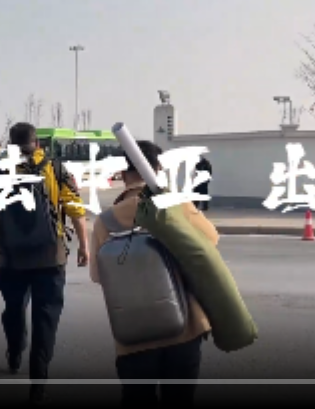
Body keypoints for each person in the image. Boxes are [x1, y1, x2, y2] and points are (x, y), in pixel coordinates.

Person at [0, 122, 90, 404]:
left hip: (13, 258)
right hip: (50, 257)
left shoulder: (0, 169)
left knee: (14, 309)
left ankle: (15, 351)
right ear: (37, 144)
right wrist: (84, 246)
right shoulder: (54, 168)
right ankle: (38, 383)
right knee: (45, 319)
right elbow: (75, 208)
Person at [89, 140, 219, 406]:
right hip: (184, 328)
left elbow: (98, 275)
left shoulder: (106, 222)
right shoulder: (176, 205)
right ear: (158, 169)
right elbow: (211, 240)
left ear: (122, 173)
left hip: (133, 335)